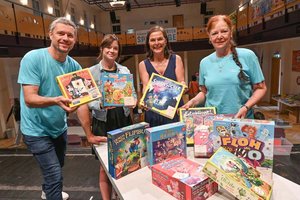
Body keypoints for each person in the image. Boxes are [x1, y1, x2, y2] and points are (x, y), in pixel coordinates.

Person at [18, 17, 81, 200]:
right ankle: (52, 193)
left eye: (70, 35)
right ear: (50, 35)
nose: (65, 38)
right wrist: (56, 100)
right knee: (54, 173)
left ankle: (48, 191)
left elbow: (79, 101)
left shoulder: (74, 66)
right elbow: (30, 98)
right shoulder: (33, 58)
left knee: (56, 167)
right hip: (36, 130)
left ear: (74, 40)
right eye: (61, 33)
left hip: (58, 128)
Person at [77, 34, 137, 200]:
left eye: (115, 48)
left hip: (122, 119)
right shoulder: (91, 73)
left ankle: (120, 195)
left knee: (125, 160)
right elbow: (85, 101)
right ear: (102, 49)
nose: (112, 50)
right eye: (108, 47)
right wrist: (100, 105)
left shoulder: (124, 71)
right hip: (103, 121)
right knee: (105, 166)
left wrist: (133, 101)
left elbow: (131, 94)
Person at [182, 15, 267, 119]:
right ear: (209, 36)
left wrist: (246, 107)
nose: (219, 36)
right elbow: (205, 93)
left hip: (241, 121)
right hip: (212, 122)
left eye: (224, 31)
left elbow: (261, 88)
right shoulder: (204, 63)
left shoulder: (248, 56)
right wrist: (193, 101)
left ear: (231, 32)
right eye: (214, 33)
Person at [138, 25, 185, 127]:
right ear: (148, 43)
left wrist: (182, 86)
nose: (156, 43)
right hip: (154, 111)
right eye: (152, 40)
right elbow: (146, 87)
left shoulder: (176, 59)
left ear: (165, 41)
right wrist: (145, 101)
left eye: (160, 39)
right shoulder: (143, 64)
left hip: (174, 110)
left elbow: (181, 82)